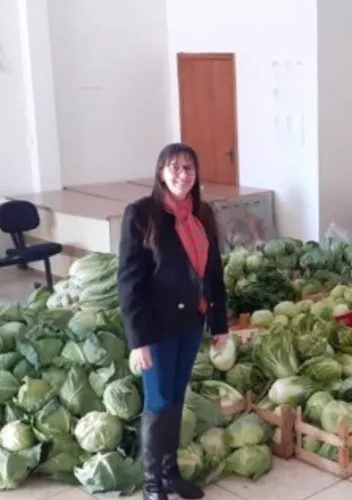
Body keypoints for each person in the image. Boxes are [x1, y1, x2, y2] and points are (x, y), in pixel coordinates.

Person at [118, 143, 228, 500]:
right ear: (161, 172)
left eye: (189, 168)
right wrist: (138, 341)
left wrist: (220, 324)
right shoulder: (142, 213)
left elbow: (214, 274)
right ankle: (152, 486)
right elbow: (130, 282)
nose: (183, 174)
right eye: (175, 167)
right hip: (158, 325)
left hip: (192, 322)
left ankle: (170, 474)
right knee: (159, 401)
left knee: (177, 398)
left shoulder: (202, 213)